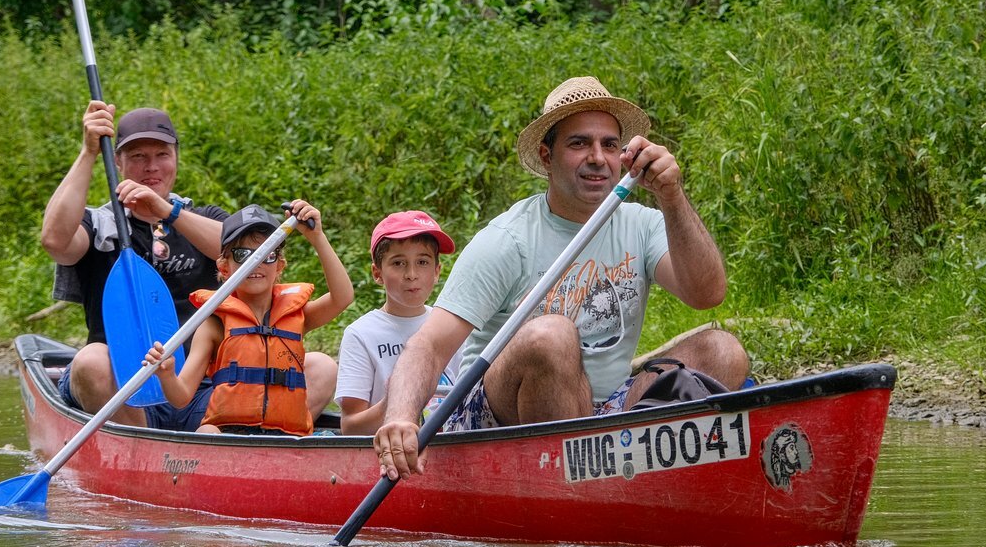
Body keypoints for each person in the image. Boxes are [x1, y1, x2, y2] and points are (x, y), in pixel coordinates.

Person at [374, 76, 750, 479]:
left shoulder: (643, 224)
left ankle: (645, 479)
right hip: (498, 417)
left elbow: (707, 293)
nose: (597, 157)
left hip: (606, 413)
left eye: (609, 145)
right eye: (578, 144)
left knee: (722, 350)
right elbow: (428, 345)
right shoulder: (507, 240)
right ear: (546, 154)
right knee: (550, 335)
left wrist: (671, 195)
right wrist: (399, 418)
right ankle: (570, 488)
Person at [41, 100, 229, 430]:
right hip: (122, 390)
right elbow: (55, 241)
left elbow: (243, 251)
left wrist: (167, 211)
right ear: (118, 162)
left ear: (176, 159)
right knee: (90, 361)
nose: (151, 167)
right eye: (138, 157)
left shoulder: (205, 219)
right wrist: (88, 152)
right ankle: (142, 447)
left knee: (316, 370)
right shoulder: (98, 225)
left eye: (161, 155)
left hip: (199, 387)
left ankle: (208, 445)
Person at [143, 202, 354, 435]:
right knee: (207, 432)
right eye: (243, 254)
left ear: (279, 266)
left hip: (282, 436)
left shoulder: (296, 315)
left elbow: (343, 297)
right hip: (231, 435)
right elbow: (181, 397)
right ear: (224, 268)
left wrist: (317, 237)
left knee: (325, 364)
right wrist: (167, 374)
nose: (257, 262)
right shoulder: (214, 324)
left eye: (267, 253)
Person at [334, 211, 462, 436]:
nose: (411, 274)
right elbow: (351, 426)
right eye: (398, 263)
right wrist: (400, 398)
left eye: (422, 262)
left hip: (451, 446)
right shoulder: (361, 334)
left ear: (437, 271)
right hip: (389, 454)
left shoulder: (452, 325)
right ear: (377, 273)